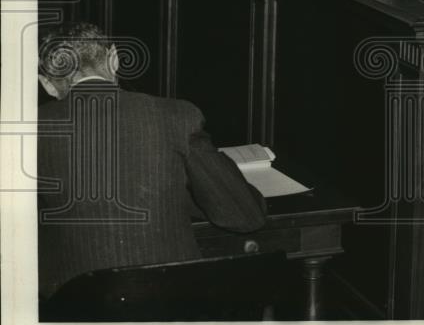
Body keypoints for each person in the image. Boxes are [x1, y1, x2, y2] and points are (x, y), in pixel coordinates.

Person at [36, 23, 266, 299]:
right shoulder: (177, 116)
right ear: (114, 59)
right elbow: (244, 216)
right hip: (171, 308)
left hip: (74, 313)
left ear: (47, 84)